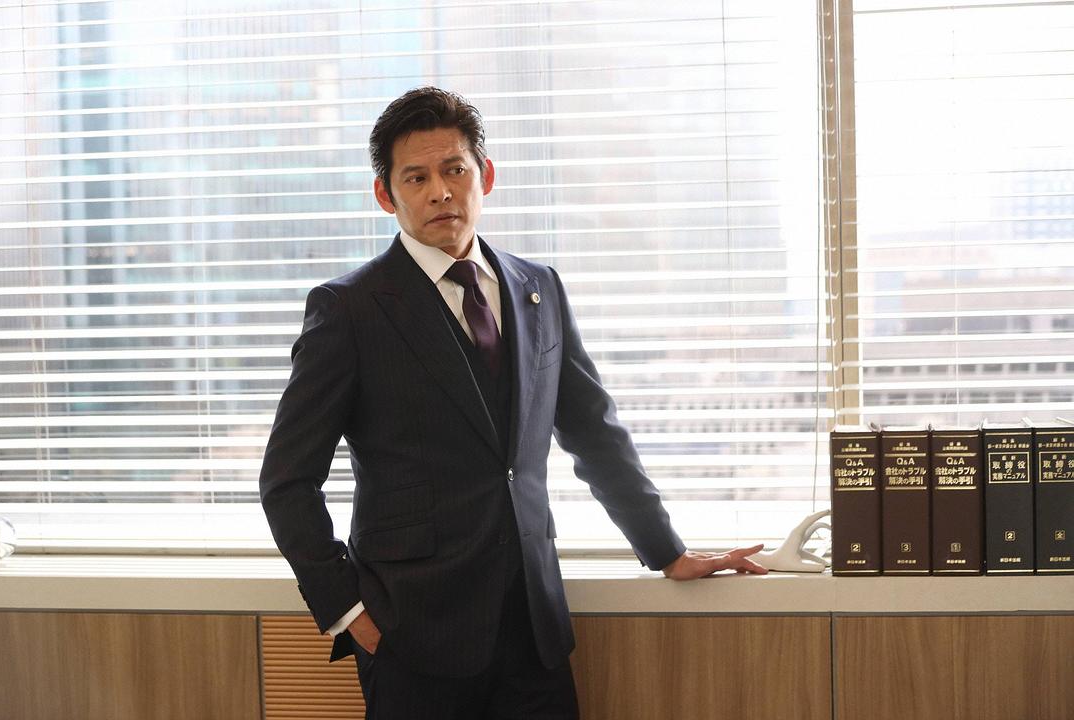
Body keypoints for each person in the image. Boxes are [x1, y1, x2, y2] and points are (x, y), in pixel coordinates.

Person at [259, 86, 767, 719]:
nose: (440, 192)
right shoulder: (349, 309)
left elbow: (594, 433)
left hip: (533, 627)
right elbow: (287, 480)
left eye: (455, 170)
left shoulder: (539, 286)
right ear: (386, 195)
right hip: (411, 632)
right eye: (416, 178)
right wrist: (347, 610)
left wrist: (667, 551)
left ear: (485, 177)